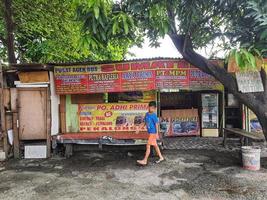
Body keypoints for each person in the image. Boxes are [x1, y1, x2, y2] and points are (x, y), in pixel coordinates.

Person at [136, 101, 164, 166]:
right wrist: (139, 129)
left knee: (148, 145)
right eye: (150, 107)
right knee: (155, 145)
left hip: (153, 133)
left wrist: (157, 133)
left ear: (154, 108)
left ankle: (145, 160)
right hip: (150, 132)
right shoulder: (147, 114)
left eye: (152, 108)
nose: (151, 109)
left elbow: (157, 125)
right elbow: (144, 123)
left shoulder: (154, 116)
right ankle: (161, 157)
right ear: (148, 107)